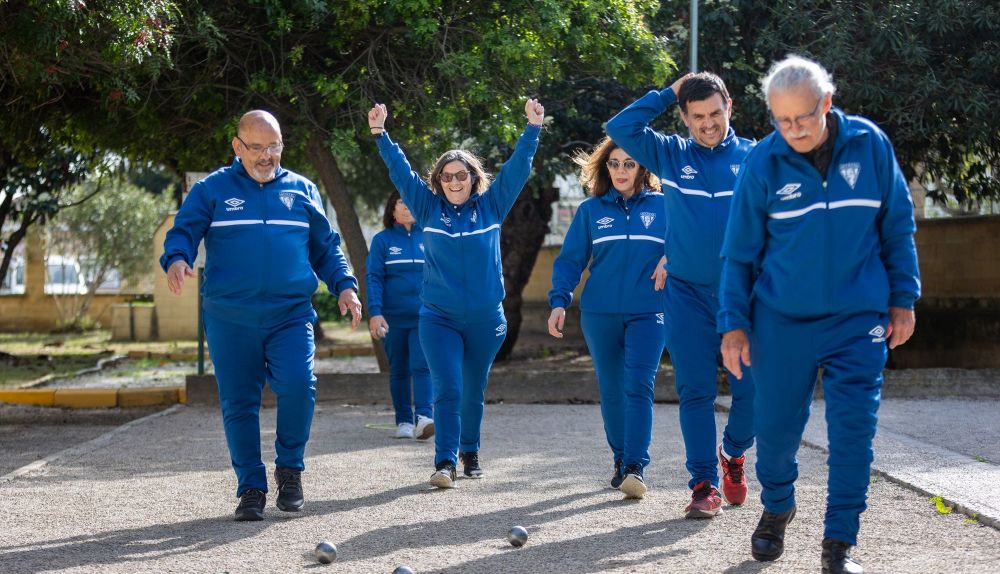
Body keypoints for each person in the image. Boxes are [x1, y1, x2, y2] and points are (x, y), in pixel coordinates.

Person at [718, 55, 920, 574]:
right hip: (781, 321)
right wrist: (734, 324)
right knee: (778, 430)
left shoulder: (870, 145)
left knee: (854, 430)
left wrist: (903, 299)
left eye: (803, 118)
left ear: (826, 104)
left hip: (860, 318)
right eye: (782, 120)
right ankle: (778, 506)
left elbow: (896, 225)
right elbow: (739, 253)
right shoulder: (762, 164)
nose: (793, 130)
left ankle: (839, 545)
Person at [161, 110, 363, 521]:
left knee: (298, 385)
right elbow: (183, 230)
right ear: (238, 147)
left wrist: (344, 284)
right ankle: (251, 487)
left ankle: (290, 469)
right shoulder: (212, 190)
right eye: (258, 147)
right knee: (238, 402)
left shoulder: (303, 190)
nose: (267, 156)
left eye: (275, 146)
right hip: (230, 316)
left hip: (289, 314)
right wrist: (177, 259)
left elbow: (325, 246)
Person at [368, 98, 544, 488]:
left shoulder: (492, 206)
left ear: (473, 177)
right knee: (447, 387)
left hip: (485, 319)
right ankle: (445, 461)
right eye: (446, 176)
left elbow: (518, 169)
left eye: (460, 174)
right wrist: (381, 135)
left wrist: (532, 129)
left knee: (472, 389)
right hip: (438, 317)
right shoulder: (428, 210)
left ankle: (471, 450)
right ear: (438, 181)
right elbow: (402, 175)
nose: (453, 181)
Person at [606, 72, 757, 518]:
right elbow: (620, 129)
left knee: (753, 394)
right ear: (685, 117)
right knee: (695, 391)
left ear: (729, 105)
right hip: (686, 294)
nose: (708, 123)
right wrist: (669, 91)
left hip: (743, 295)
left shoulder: (756, 157)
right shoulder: (670, 154)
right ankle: (703, 484)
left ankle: (733, 453)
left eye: (715, 113)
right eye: (697, 116)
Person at [546, 137, 666, 499]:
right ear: (605, 168)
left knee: (640, 384)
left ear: (642, 167)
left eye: (629, 163)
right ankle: (620, 459)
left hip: (650, 311)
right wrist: (558, 302)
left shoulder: (666, 207)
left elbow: (694, 241)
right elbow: (570, 261)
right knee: (612, 389)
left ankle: (635, 466)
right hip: (599, 314)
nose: (621, 171)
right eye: (614, 164)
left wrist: (672, 258)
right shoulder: (590, 211)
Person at [366, 190, 434, 440]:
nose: (407, 207)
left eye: (411, 202)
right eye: (401, 202)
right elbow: (373, 278)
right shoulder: (382, 241)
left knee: (423, 365)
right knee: (400, 370)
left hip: (424, 316)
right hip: (391, 318)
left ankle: (424, 418)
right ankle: (404, 421)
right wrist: (375, 312)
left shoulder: (429, 238)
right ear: (392, 209)